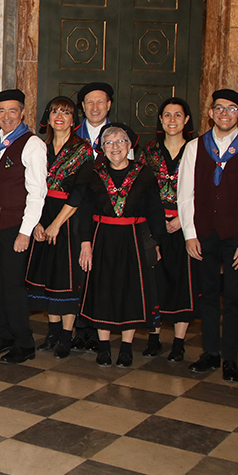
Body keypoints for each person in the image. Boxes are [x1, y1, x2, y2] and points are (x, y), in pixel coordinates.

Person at [178, 89, 238, 383]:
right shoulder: (195, 147)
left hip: (237, 236)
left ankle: (230, 358)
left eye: (231, 109)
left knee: (236, 297)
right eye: (218, 108)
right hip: (204, 234)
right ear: (211, 113)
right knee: (208, 295)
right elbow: (185, 194)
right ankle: (210, 352)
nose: (224, 113)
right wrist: (190, 234)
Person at [73, 123, 167, 367]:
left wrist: (156, 242)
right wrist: (85, 243)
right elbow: (85, 211)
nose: (115, 147)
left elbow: (155, 211)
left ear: (129, 145)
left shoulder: (145, 174)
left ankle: (126, 348)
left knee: (131, 292)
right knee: (102, 291)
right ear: (102, 148)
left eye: (120, 142)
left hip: (134, 239)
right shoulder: (93, 174)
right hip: (102, 237)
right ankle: (103, 348)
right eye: (109, 143)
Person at [0, 89, 48, 363]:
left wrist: (25, 231)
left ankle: (24, 342)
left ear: (21, 113)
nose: (6, 116)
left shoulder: (32, 144)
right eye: (0, 111)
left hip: (14, 227)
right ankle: (5, 334)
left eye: (12, 111)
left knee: (14, 286)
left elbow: (37, 192)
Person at [26, 95, 95, 357]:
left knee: (66, 278)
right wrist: (39, 222)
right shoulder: (40, 147)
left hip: (68, 218)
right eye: (55, 111)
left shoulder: (83, 149)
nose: (59, 117)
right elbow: (33, 187)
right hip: (43, 214)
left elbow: (80, 193)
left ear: (73, 119)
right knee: (47, 276)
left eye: (66, 113)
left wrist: (55, 224)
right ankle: (52, 331)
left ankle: (67, 335)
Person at [137, 97, 199, 362]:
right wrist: (156, 221)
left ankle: (179, 342)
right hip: (156, 226)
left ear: (186, 120)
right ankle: (154, 337)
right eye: (167, 115)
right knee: (155, 281)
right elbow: (141, 190)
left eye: (178, 115)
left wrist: (184, 220)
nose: (172, 120)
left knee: (182, 282)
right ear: (160, 120)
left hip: (187, 226)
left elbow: (204, 191)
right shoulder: (148, 151)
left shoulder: (198, 151)